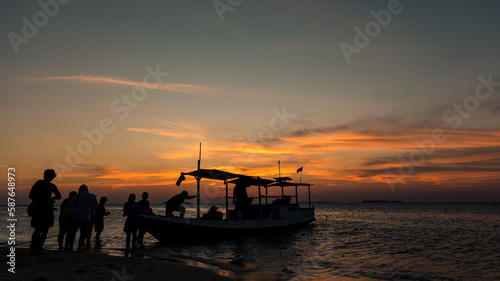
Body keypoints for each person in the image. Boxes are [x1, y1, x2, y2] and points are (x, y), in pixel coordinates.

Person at [29, 169, 62, 255]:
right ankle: (38, 249)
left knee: (37, 230)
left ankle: (32, 248)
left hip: (37, 210)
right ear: (52, 177)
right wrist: (52, 199)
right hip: (47, 210)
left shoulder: (38, 183)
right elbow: (59, 196)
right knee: (44, 231)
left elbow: (30, 196)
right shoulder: (52, 186)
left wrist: (37, 199)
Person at [67, 184, 99, 252]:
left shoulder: (77, 196)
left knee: (73, 232)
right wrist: (90, 208)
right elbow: (97, 206)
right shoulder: (91, 196)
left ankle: (71, 247)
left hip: (76, 217)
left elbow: (69, 204)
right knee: (83, 233)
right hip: (86, 217)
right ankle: (79, 248)